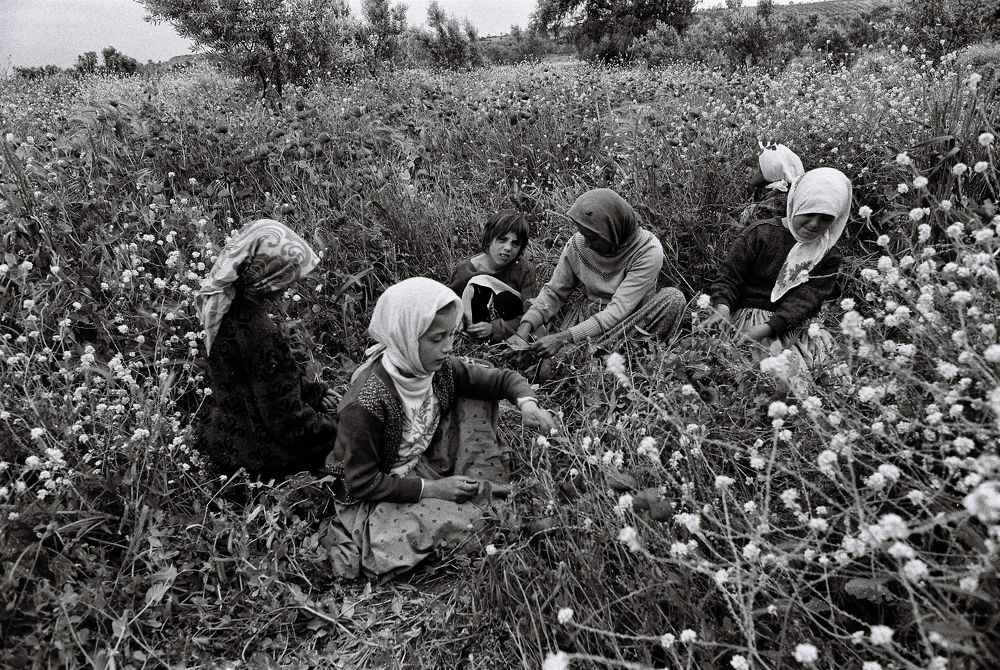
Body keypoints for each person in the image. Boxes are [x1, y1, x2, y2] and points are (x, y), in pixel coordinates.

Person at [323, 277, 555, 578]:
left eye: (451, 335)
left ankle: (493, 495)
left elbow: (500, 379)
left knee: (473, 392)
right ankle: (510, 523)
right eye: (436, 339)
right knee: (425, 526)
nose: (448, 348)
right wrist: (434, 489)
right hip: (382, 490)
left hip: (420, 456)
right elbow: (363, 483)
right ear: (405, 335)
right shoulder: (365, 404)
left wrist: (527, 404)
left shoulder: (438, 367)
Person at [196, 219, 338, 481]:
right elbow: (286, 421)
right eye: (286, 277)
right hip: (260, 458)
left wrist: (312, 393)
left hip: (224, 439)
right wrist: (336, 430)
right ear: (265, 274)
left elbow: (253, 385)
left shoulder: (222, 309)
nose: (289, 286)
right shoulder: (258, 331)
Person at [706, 167, 853, 365]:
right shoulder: (760, 234)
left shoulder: (828, 255)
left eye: (826, 218)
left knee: (819, 378)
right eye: (809, 213)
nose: (814, 224)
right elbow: (729, 277)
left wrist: (770, 327)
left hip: (791, 324)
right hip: (745, 319)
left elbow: (805, 301)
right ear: (798, 203)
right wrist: (722, 307)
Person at [514, 188, 685, 358]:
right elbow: (554, 292)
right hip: (588, 317)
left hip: (632, 321)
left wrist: (561, 338)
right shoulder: (578, 244)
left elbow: (619, 309)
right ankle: (601, 361)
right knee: (551, 368)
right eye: (583, 234)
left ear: (613, 228)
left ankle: (629, 357)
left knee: (673, 298)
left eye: (593, 237)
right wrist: (525, 327)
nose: (586, 243)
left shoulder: (647, 249)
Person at [446, 210, 538, 343]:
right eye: (502, 240)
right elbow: (451, 306)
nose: (507, 248)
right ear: (489, 239)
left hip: (511, 334)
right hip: (473, 335)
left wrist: (496, 328)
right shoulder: (466, 269)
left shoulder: (525, 270)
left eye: (515, 244)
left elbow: (531, 314)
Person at [742, 143, 806, 224]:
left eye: (759, 166)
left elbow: (752, 231)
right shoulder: (769, 190)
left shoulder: (777, 201)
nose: (747, 170)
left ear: (773, 168)